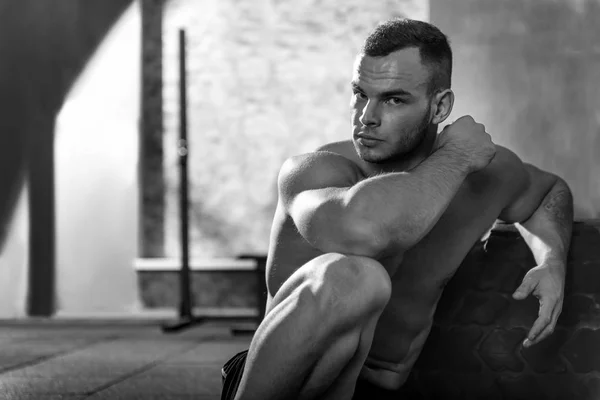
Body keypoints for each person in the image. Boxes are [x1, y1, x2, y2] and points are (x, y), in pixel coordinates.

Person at [221, 18, 573, 400]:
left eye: (393, 99)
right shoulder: (317, 171)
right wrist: (453, 158)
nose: (365, 117)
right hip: (288, 385)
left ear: (440, 106)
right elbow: (365, 231)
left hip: (384, 388)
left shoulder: (486, 175)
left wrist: (552, 258)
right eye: (360, 93)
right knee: (354, 277)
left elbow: (549, 191)